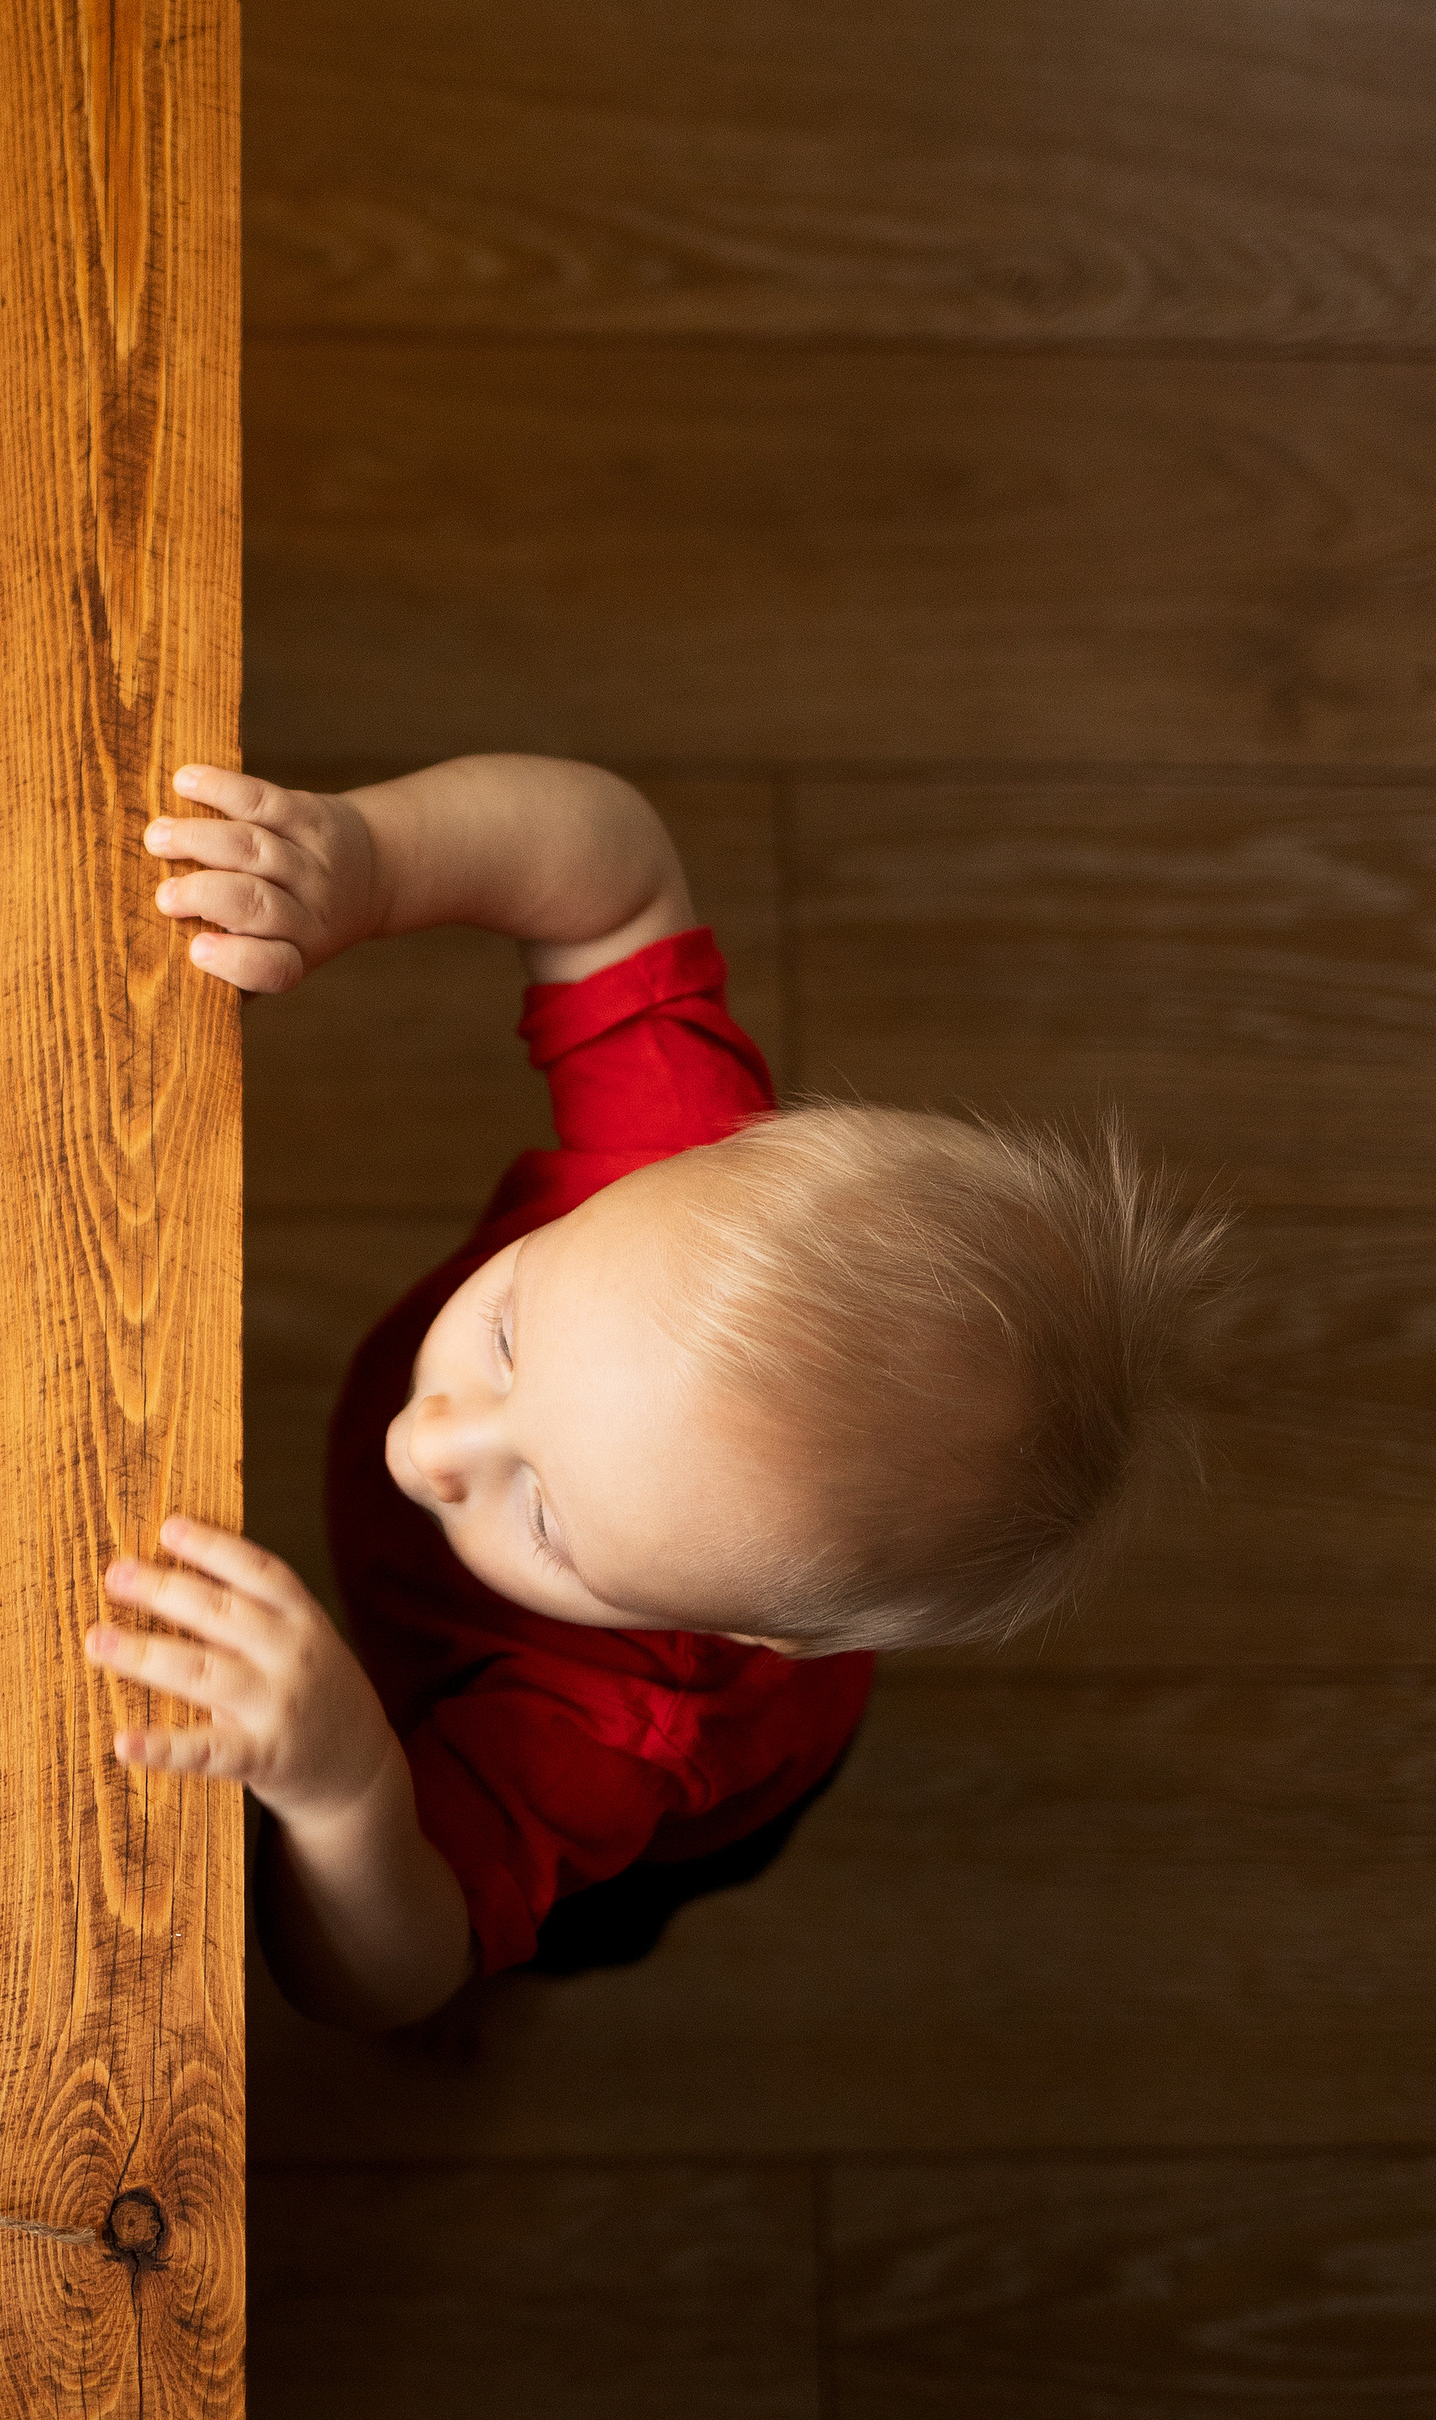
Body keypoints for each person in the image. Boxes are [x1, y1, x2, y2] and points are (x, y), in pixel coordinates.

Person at [84, 758, 1226, 2030]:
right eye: (508, 1332)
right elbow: (615, 875)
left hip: (661, 1815)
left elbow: (386, 1971)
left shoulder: (626, 1729)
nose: (429, 1444)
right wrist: (368, 860)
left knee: (555, 1933)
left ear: (755, 1630)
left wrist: (351, 1791)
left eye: (545, 1518)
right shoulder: (682, 1168)